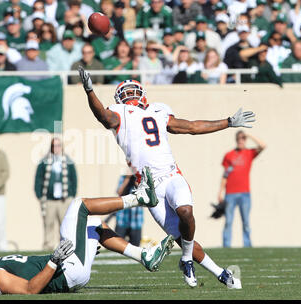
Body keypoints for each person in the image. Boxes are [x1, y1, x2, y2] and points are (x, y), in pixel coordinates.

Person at [78, 66, 251, 289]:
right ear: (119, 98)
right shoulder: (118, 113)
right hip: (149, 189)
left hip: (170, 175)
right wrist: (90, 91)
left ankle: (186, 259)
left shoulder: (158, 111)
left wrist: (227, 122)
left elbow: (191, 127)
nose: (131, 95)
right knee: (182, 238)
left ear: (143, 94)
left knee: (186, 212)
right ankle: (220, 273)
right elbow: (102, 115)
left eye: (134, 91)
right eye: (126, 92)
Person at [0, 167, 176, 294]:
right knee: (79, 206)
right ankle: (139, 197)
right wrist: (53, 261)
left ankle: (144, 256)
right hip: (64, 270)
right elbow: (29, 290)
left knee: (94, 225)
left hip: (66, 270)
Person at [218, 131, 266, 248]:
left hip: (245, 194)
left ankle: (247, 245)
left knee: (246, 222)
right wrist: (220, 193)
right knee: (228, 222)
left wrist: (249, 135)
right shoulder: (229, 155)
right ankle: (226, 246)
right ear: (236, 140)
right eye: (239, 138)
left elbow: (263, 145)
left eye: (243, 138)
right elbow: (225, 174)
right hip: (230, 194)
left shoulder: (249, 153)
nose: (241, 140)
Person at [34, 137, 77, 251]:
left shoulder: (68, 161)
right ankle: (48, 248)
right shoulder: (44, 162)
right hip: (49, 199)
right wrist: (40, 196)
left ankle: (65, 248)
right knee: (48, 224)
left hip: (64, 199)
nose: (56, 148)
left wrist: (71, 195)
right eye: (54, 146)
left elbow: (73, 179)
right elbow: (39, 179)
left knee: (65, 225)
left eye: (58, 145)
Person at [114, 171, 144, 246]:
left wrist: (136, 180)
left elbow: (143, 194)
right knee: (118, 246)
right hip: (122, 219)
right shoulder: (123, 177)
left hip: (136, 221)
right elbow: (119, 192)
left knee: (135, 248)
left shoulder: (140, 178)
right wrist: (127, 179)